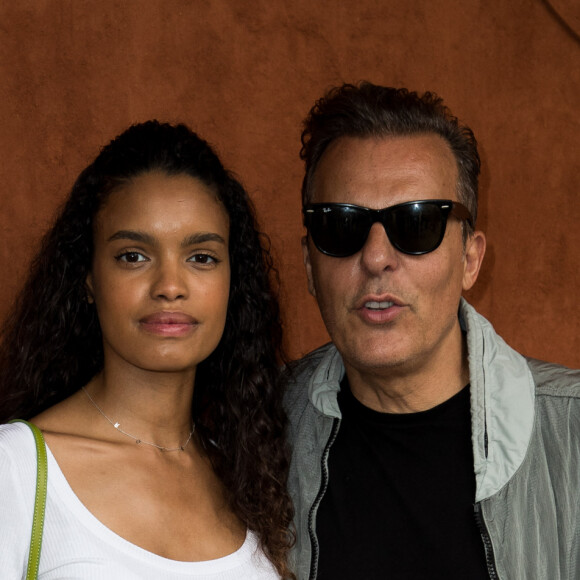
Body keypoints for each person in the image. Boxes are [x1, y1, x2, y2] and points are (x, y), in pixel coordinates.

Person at [285, 82, 580, 580]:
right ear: (310, 265)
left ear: (471, 258)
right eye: (341, 225)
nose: (377, 258)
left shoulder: (571, 437)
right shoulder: (258, 430)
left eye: (417, 224)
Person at [0, 121, 295, 579]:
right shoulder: (15, 469)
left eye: (202, 257)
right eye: (133, 255)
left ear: (233, 281)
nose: (170, 286)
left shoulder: (249, 479)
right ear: (88, 278)